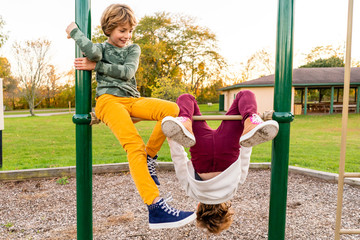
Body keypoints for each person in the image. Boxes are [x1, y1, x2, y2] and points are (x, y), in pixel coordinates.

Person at [66, 4, 195, 229]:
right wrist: (74, 32)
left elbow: (127, 72)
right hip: (108, 101)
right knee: (133, 145)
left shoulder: (133, 49)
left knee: (172, 110)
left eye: (129, 31)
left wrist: (97, 66)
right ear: (109, 29)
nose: (126, 36)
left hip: (132, 100)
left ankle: (150, 157)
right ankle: (155, 207)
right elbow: (94, 52)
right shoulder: (100, 48)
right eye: (121, 31)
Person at [159, 91, 279, 234]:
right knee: (186, 98)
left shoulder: (233, 189)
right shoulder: (192, 192)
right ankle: (185, 121)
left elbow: (244, 158)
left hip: (227, 149)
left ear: (225, 210)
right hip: (200, 148)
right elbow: (179, 161)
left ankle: (250, 121)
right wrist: (173, 139)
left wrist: (246, 138)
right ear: (198, 209)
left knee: (245, 94)